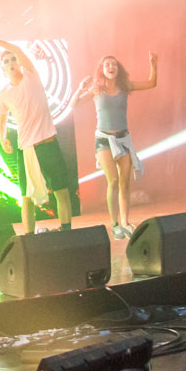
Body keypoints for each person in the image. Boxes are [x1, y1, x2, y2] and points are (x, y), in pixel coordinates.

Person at [0, 28, 77, 232]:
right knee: (26, 197)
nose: (11, 63)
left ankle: (66, 230)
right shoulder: (4, 93)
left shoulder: (32, 76)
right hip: (26, 149)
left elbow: (16, 48)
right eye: (6, 61)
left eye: (13, 59)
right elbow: (2, 120)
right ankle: (28, 238)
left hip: (47, 143)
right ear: (2, 68)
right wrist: (2, 138)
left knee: (61, 190)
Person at [75, 52, 158, 240]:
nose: (111, 67)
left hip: (123, 139)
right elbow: (75, 104)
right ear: (102, 70)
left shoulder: (124, 86)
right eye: (107, 65)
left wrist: (153, 64)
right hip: (104, 140)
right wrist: (80, 89)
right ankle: (114, 224)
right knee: (112, 181)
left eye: (114, 64)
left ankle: (125, 222)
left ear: (118, 69)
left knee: (124, 183)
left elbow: (151, 83)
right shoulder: (96, 89)